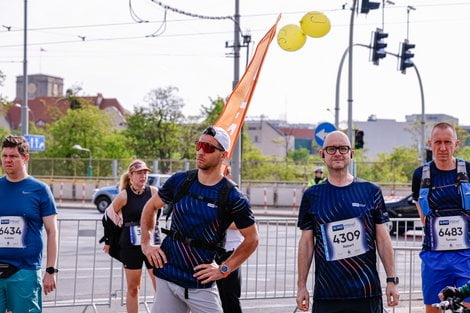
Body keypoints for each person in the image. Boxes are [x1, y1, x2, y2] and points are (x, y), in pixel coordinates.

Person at [140, 126, 259, 313]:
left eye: (209, 147)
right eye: (199, 145)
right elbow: (150, 207)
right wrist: (146, 244)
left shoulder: (233, 196)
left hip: (200, 282)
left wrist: (224, 269)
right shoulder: (180, 181)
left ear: (223, 155)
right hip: (167, 275)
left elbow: (252, 239)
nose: (201, 151)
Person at [296, 130, 399, 313]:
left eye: (343, 149)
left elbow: (383, 239)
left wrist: (392, 280)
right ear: (322, 155)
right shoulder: (312, 195)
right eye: (331, 149)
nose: (337, 153)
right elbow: (306, 243)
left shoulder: (370, 191)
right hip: (327, 294)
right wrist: (301, 286)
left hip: (366, 292)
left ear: (352, 154)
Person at [411, 122, 470, 313]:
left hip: (466, 255)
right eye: (438, 142)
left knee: (467, 307)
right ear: (430, 143)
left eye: (447, 142)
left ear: (456, 144)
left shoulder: (468, 170)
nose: (443, 148)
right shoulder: (420, 174)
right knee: (434, 308)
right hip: (434, 255)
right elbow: (423, 215)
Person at [0, 135, 58, 313]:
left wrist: (51, 271)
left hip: (24, 270)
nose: (7, 160)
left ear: (25, 158)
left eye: (13, 156)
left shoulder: (40, 190)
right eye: (4, 156)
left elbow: (52, 232)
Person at [102, 160, 158, 313]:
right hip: (131, 245)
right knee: (134, 287)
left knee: (160, 285)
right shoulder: (124, 195)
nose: (143, 176)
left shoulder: (153, 192)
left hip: (152, 243)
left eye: (145, 173)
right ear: (131, 176)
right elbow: (108, 217)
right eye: (139, 173)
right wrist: (108, 240)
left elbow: (161, 211)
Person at [216, 166, 244, 313]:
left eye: (222, 174)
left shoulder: (235, 194)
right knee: (212, 296)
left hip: (231, 252)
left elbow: (239, 224)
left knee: (230, 295)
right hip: (212, 252)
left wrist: (216, 221)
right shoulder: (211, 192)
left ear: (228, 174)